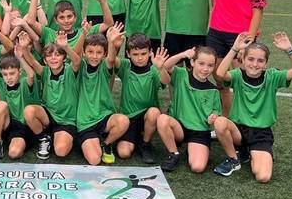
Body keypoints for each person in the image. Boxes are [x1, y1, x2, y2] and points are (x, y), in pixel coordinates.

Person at [211, 32, 292, 183]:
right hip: (238, 130)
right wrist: (234, 49)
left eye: (260, 61)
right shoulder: (237, 75)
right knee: (220, 122)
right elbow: (220, 74)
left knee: (262, 176)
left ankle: (249, 153)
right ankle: (234, 159)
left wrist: (289, 50)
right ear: (243, 60)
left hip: (261, 134)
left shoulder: (273, 76)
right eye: (251, 59)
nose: (255, 64)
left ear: (266, 63)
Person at [206, 0, 267, 115]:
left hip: (241, 35)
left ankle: (250, 120)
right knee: (220, 80)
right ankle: (226, 118)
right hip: (216, 34)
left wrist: (248, 39)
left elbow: (258, 8)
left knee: (246, 80)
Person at [157, 47, 224, 173]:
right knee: (162, 119)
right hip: (179, 127)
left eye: (210, 65)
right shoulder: (181, 75)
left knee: (197, 167)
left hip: (199, 132)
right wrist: (182, 54)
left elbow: (216, 111)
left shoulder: (213, 90)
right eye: (201, 63)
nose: (205, 69)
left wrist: (213, 117)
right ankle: (174, 153)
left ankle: (192, 148)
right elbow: (166, 66)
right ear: (192, 62)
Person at [21, 30, 82, 160]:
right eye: (49, 56)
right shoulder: (45, 71)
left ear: (64, 58)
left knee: (61, 151)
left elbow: (77, 61)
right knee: (29, 111)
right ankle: (43, 138)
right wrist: (24, 48)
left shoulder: (70, 70)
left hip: (66, 120)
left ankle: (61, 136)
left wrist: (66, 46)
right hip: (48, 115)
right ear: (45, 60)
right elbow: (32, 62)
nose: (53, 58)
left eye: (57, 55)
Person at [76, 25, 130, 165]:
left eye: (99, 52)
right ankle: (88, 141)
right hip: (85, 121)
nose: (94, 56)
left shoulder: (104, 67)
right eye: (90, 52)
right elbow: (74, 55)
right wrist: (83, 34)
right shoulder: (79, 66)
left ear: (104, 54)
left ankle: (106, 143)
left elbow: (111, 59)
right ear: (84, 52)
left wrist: (111, 42)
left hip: (104, 117)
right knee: (94, 160)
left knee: (123, 121)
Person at [113, 34, 165, 164]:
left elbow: (165, 82)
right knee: (123, 153)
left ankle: (145, 143)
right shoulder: (125, 66)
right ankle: (134, 138)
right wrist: (114, 45)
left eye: (143, 53)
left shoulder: (154, 70)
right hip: (128, 119)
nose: (140, 58)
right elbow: (112, 59)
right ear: (128, 54)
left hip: (147, 117)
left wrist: (161, 68)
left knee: (154, 112)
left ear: (150, 52)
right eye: (135, 54)